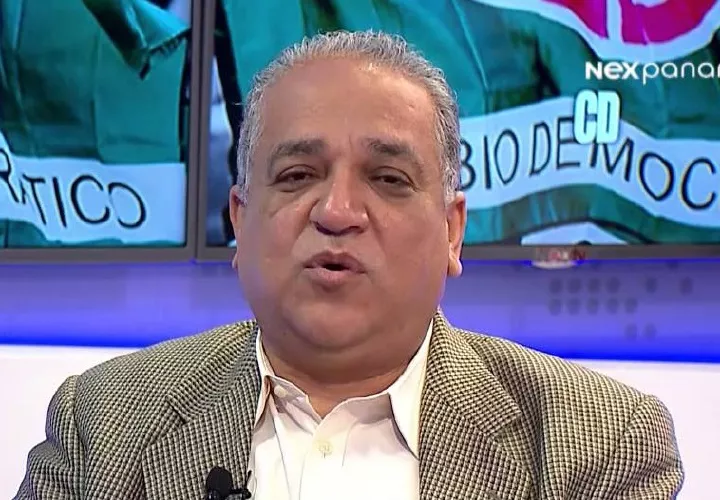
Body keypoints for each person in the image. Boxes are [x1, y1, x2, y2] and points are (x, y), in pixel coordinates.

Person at [15, 30, 683, 499]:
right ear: (240, 222)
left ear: (452, 232)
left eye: (388, 179)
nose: (336, 211)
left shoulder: (599, 443)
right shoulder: (101, 422)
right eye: (298, 175)